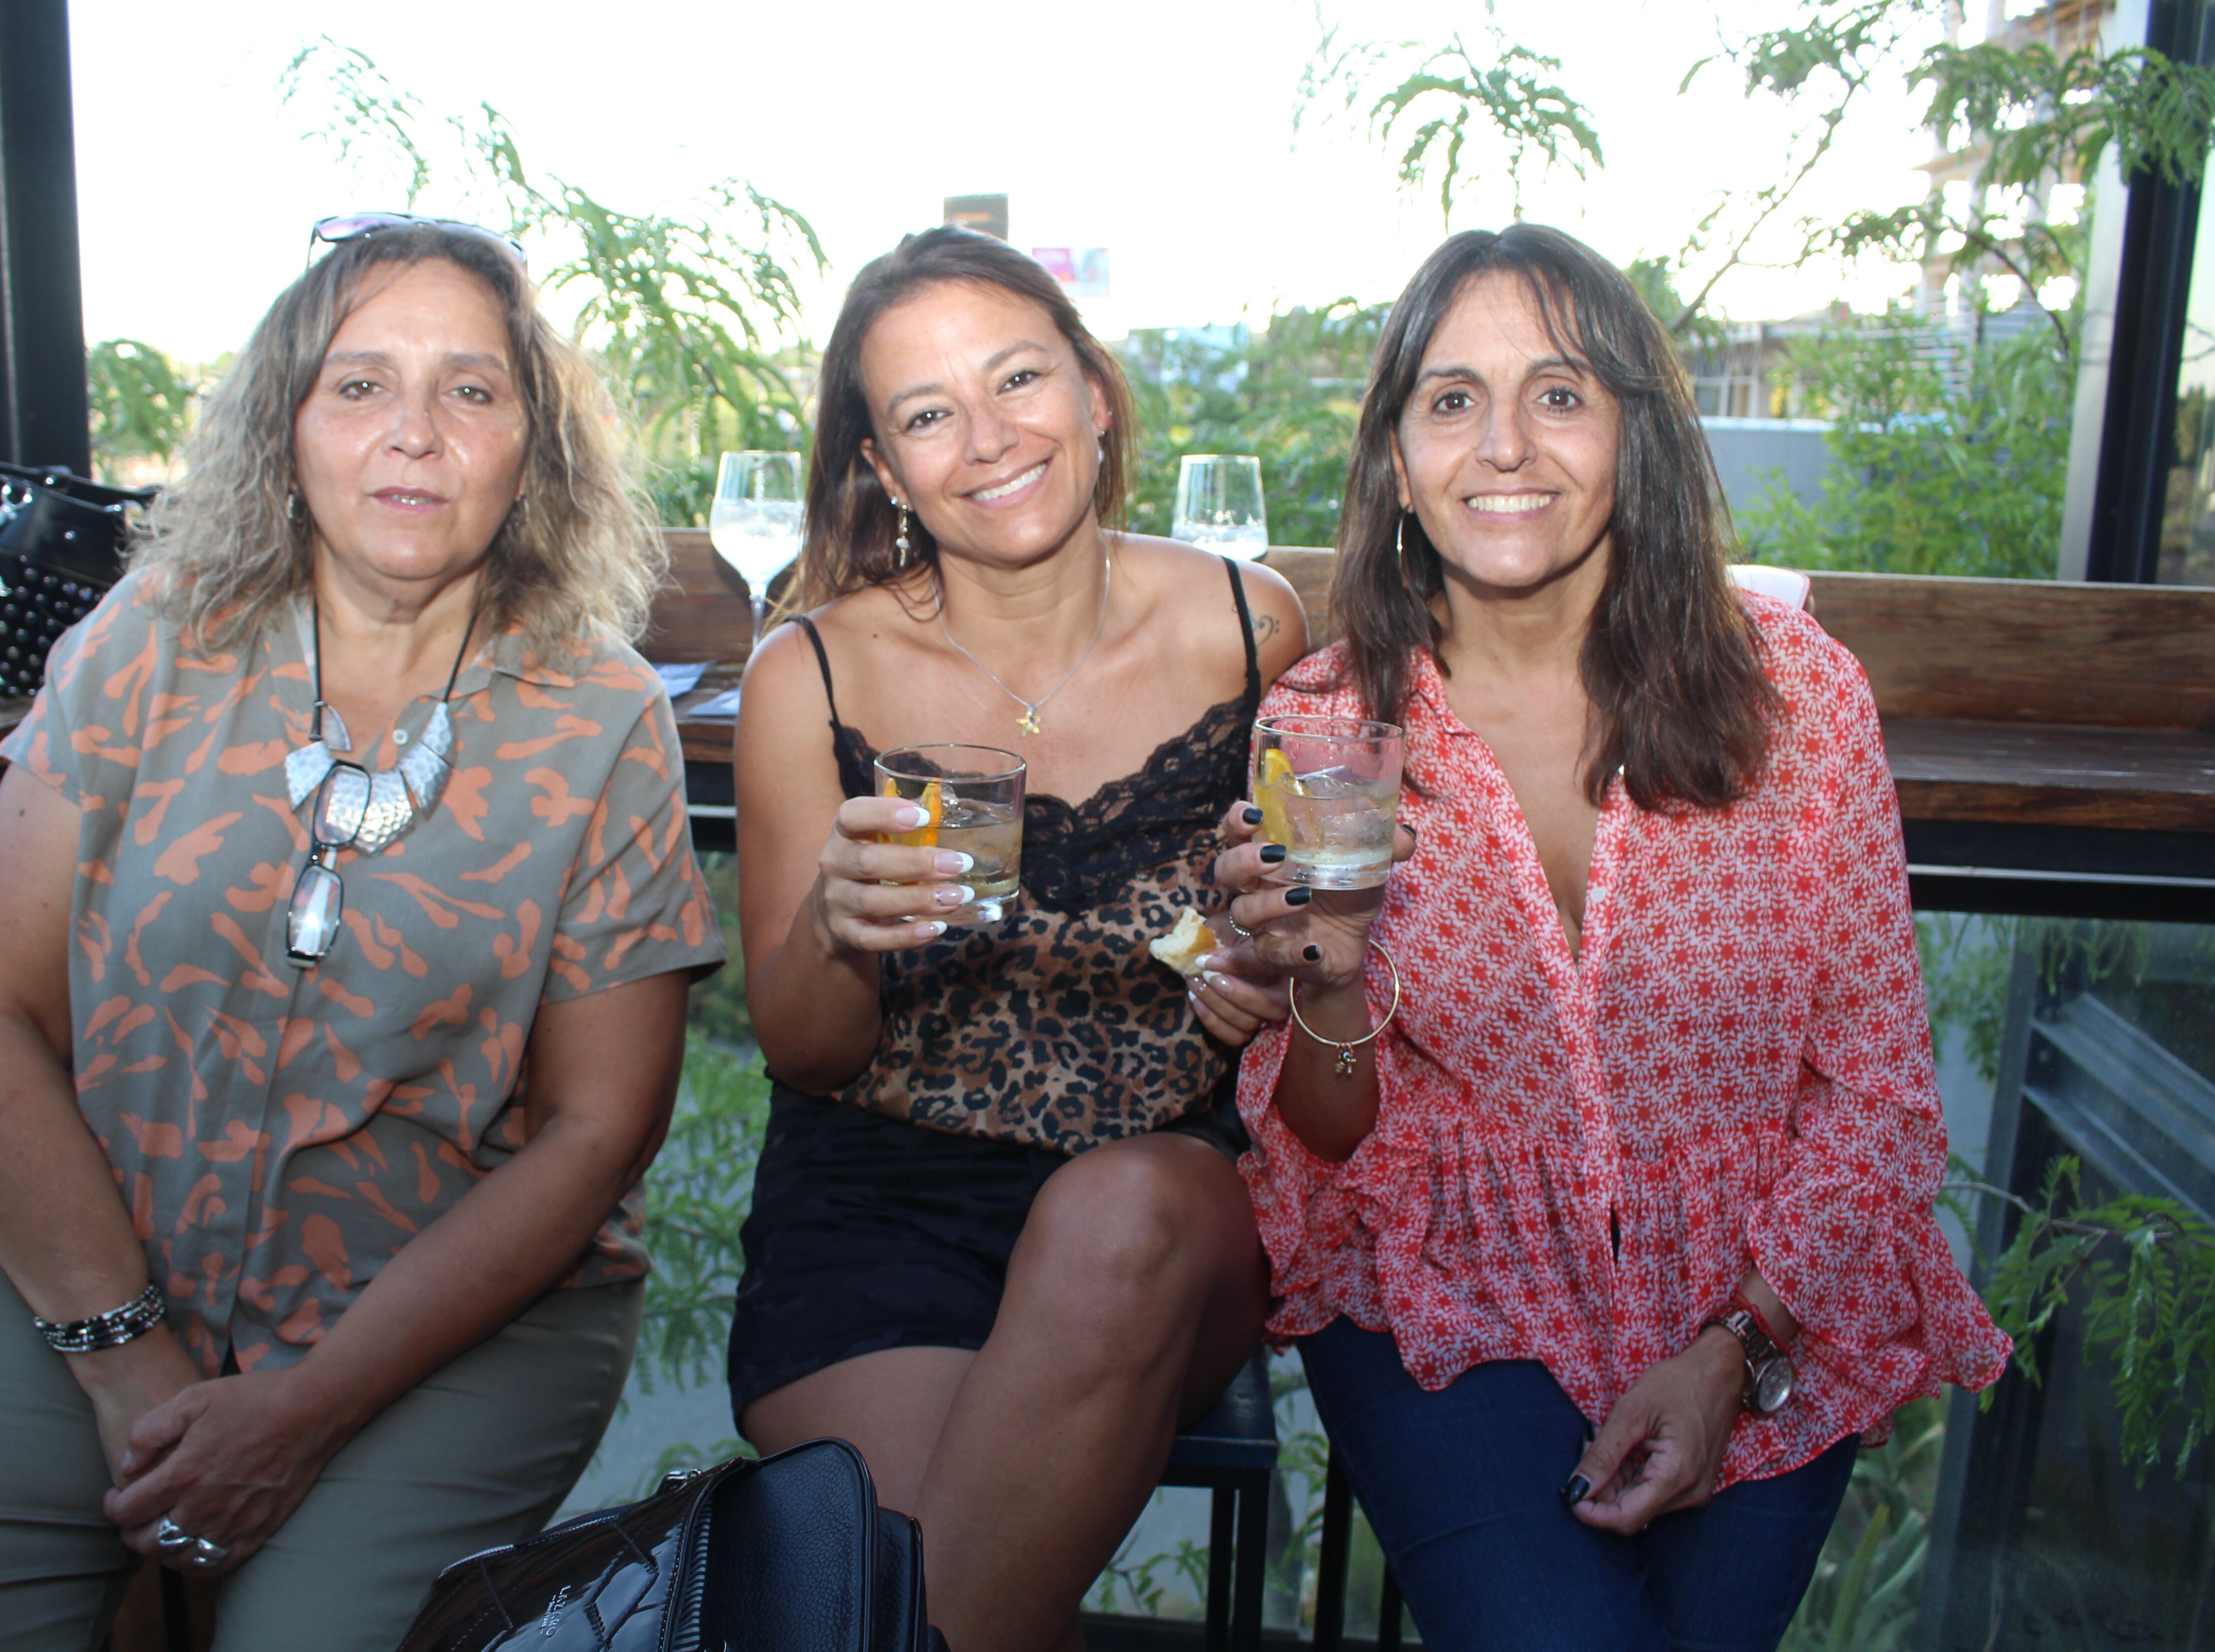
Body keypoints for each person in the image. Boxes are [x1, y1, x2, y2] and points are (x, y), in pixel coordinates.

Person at [0, 217, 723, 1652]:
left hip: (443, 1322)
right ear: (287, 424)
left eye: (471, 390)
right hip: (83, 1251)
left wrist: (300, 1412)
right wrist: (122, 1359)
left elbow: (598, 1134)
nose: (414, 435)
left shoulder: (608, 716)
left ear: (538, 449)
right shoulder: (149, 638)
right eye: (359, 384)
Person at [1208, 224, 2011, 1652]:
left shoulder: (1803, 704)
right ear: (1398, 456)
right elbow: (1325, 1142)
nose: (1506, 444)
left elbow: (1884, 1101)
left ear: (1634, 432)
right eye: (1453, 399)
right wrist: (1320, 967)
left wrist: (1738, 1353)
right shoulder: (1324, 726)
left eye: (1562, 393)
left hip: (1769, 1288)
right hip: (1448, 1292)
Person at [728, 227, 1309, 1652]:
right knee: (923, 1606)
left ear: (1096, 392)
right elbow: (807, 1053)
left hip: (1161, 1203)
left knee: (1115, 1217)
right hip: (883, 1203)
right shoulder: (807, 670)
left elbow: (1317, 926)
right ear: (882, 467)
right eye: (929, 414)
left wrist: (1268, 968)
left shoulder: (1252, 628)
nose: (987, 440)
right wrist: (835, 929)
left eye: (1018, 381)